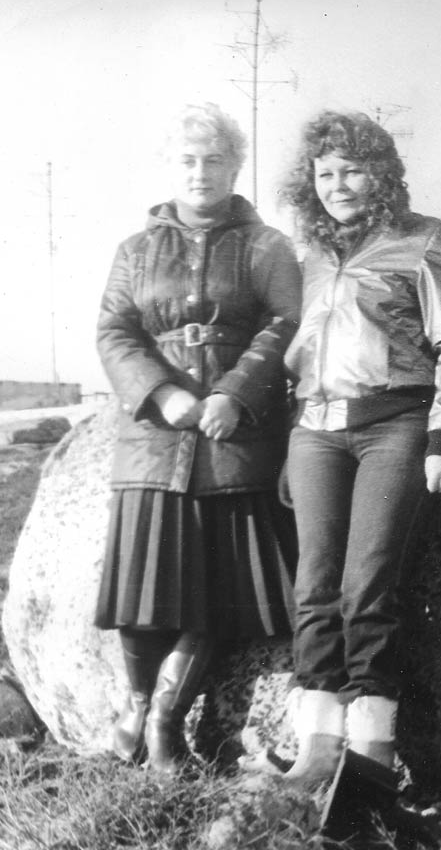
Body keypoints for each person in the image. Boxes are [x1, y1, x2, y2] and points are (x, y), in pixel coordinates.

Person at [277, 110, 441, 783]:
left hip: (393, 425)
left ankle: (372, 749)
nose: (337, 185)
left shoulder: (428, 240)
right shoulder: (310, 255)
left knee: (367, 583)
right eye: (325, 174)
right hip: (314, 431)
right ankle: (317, 746)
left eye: (352, 170)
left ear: (383, 174)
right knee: (314, 584)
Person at [95, 102, 302, 773]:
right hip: (154, 437)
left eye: (215, 159)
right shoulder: (134, 251)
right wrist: (164, 392)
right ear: (169, 166)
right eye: (187, 160)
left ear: (235, 166)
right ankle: (134, 710)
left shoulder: (268, 246)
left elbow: (285, 323)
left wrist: (234, 394)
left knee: (215, 594)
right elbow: (114, 332)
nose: (200, 172)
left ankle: (164, 724)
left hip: (235, 438)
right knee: (141, 592)